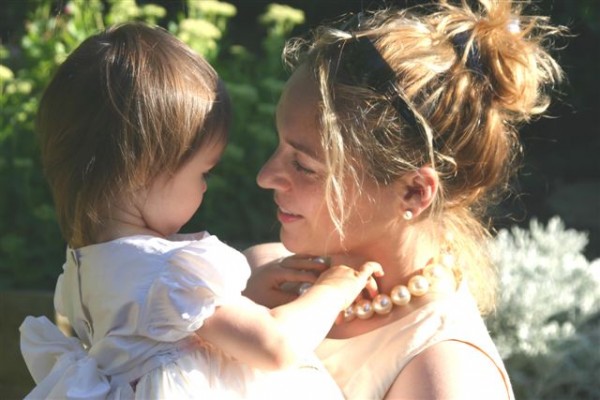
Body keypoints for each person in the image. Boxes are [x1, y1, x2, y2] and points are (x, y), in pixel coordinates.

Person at [18, 22, 383, 399]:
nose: (205, 187)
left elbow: (165, 329)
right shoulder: (167, 271)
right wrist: (334, 287)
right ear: (144, 172)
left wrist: (236, 300)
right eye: (202, 172)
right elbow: (275, 345)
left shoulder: (86, 267)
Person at [244, 1, 565, 398]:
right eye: (279, 148)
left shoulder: (445, 376)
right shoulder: (261, 278)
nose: (265, 177)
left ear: (414, 192)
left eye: (305, 166)